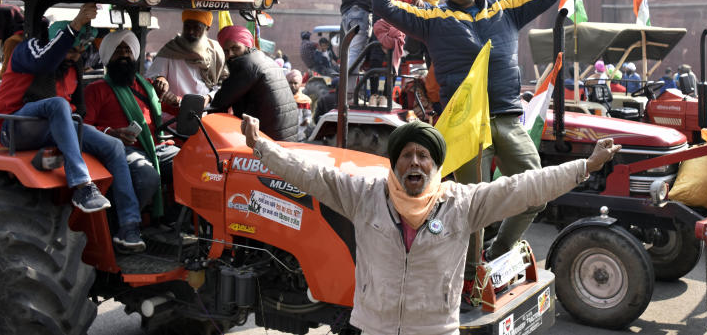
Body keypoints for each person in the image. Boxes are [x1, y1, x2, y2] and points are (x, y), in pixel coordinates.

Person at [241, 115, 620, 335]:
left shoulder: (462, 203)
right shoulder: (364, 194)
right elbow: (310, 173)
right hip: (375, 327)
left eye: (424, 155)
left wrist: (584, 166)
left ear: (436, 166)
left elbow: (523, 187)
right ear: (394, 163)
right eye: (406, 155)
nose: (415, 163)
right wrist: (261, 146)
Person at [373, 0, 561, 284]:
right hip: (465, 126)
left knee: (538, 190)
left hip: (505, 118)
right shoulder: (432, 20)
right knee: (473, 209)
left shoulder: (506, 9)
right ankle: (473, 278)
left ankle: (500, 250)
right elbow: (384, 6)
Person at [0, 4, 146, 252]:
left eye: (81, 51)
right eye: (71, 50)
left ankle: (129, 227)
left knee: (114, 147)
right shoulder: (27, 51)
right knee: (58, 105)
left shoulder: (73, 68)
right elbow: (46, 62)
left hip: (54, 126)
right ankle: (82, 186)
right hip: (14, 125)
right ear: (56, 42)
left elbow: (79, 110)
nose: (74, 56)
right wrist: (74, 25)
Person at [84, 30, 179, 217]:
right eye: (118, 51)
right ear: (108, 56)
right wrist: (111, 133)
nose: (124, 56)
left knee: (192, 166)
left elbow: (173, 109)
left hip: (155, 146)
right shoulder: (95, 90)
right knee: (148, 176)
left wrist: (174, 99)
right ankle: (128, 225)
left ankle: (176, 222)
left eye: (128, 51)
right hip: (121, 150)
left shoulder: (148, 86)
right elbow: (84, 128)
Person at [210, 25, 300, 141]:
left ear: (247, 45)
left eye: (235, 48)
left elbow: (220, 101)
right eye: (226, 51)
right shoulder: (264, 59)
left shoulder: (245, 63)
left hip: (269, 138)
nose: (230, 54)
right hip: (287, 134)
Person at [146, 10, 226, 105]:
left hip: (206, 113)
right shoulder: (171, 49)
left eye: (197, 28)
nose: (191, 32)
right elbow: (151, 76)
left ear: (207, 28)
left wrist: (209, 97)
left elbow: (224, 82)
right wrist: (160, 78)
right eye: (187, 27)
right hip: (173, 114)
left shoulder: (216, 50)